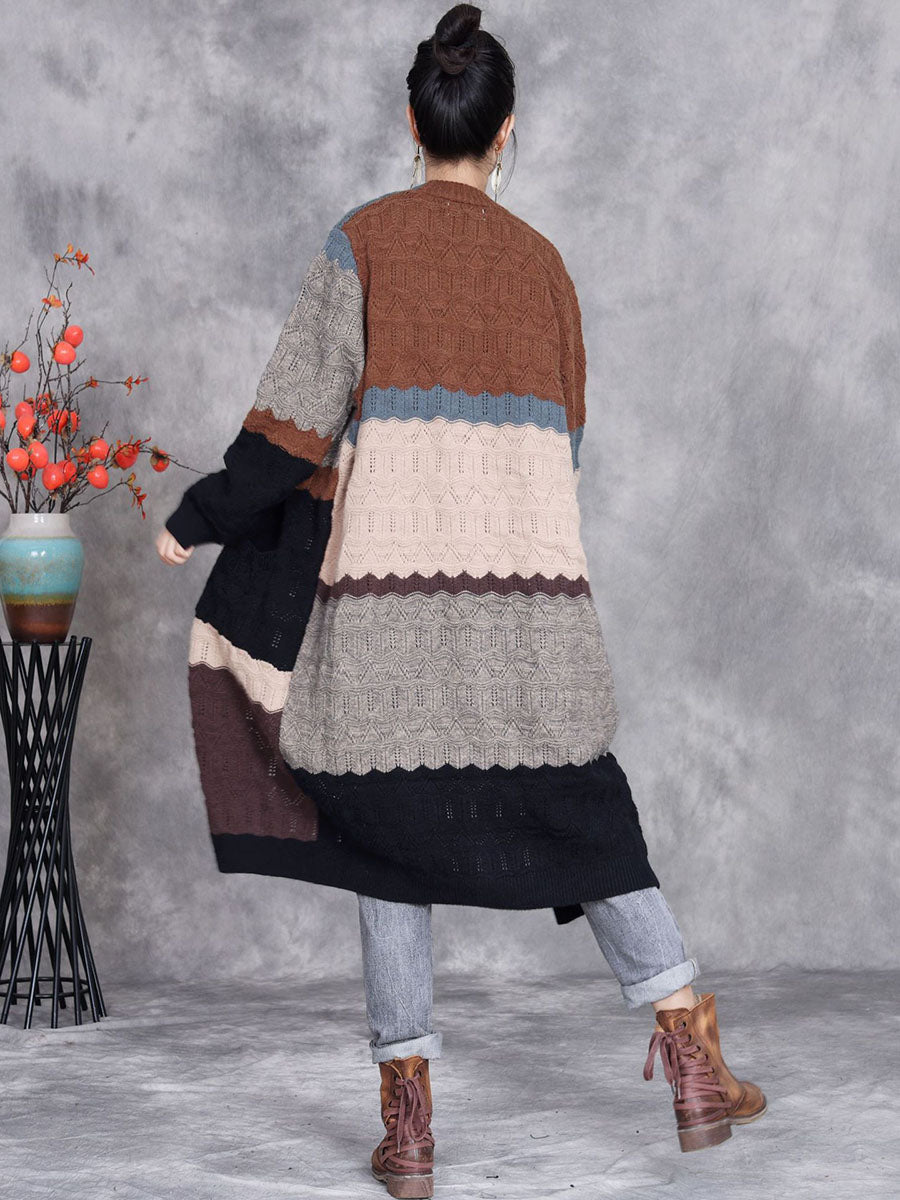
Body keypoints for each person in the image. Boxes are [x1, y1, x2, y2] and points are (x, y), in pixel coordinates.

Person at [157, 5, 766, 1196]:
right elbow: (564, 446)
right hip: (530, 614)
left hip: (385, 614)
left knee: (383, 836)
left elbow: (292, 428)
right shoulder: (544, 268)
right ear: (506, 130)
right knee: (589, 821)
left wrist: (204, 515)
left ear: (412, 120)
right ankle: (693, 1068)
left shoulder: (363, 243)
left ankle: (410, 1130)